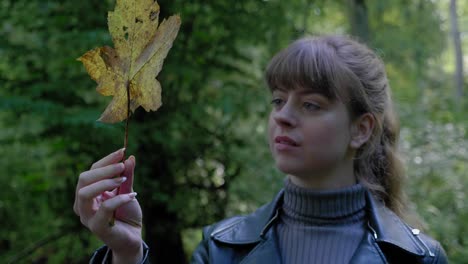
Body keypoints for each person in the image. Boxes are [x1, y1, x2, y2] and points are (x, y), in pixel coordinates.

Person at [74, 35, 448, 263]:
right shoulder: (223, 249)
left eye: (311, 104)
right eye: (278, 101)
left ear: (361, 129)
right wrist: (126, 254)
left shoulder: (417, 258)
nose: (283, 117)